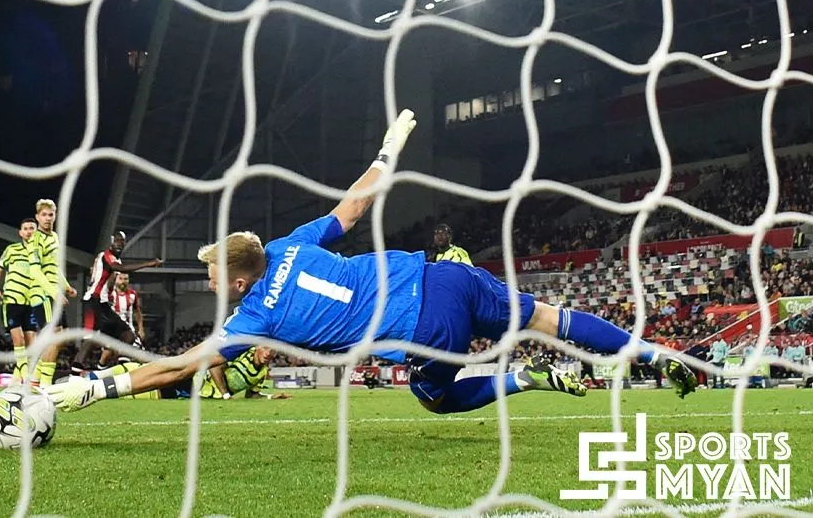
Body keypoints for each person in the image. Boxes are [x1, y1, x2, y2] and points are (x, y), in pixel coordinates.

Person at [48, 109, 697, 413]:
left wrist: (98, 388)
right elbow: (354, 207)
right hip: (443, 275)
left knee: (434, 398)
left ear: (241, 280)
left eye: (215, 273)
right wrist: (387, 151)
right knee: (549, 318)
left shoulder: (253, 319)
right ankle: (651, 353)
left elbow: (179, 367)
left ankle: (524, 381)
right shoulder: (290, 244)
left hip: (425, 327)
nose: (211, 280)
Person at [73, 231, 162, 369]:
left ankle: (117, 367)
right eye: (117, 240)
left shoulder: (114, 263)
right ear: (111, 241)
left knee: (128, 335)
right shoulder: (107, 256)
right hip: (94, 301)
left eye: (122, 241)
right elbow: (120, 268)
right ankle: (75, 372)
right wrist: (149, 263)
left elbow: (110, 278)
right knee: (91, 339)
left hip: (103, 304)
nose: (119, 244)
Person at [80, 346, 289, 400]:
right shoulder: (241, 353)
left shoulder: (261, 371)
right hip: (192, 377)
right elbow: (215, 364)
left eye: (272, 351)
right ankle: (89, 379)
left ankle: (92, 385)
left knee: (153, 391)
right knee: (142, 373)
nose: (269, 354)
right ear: (258, 347)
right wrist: (225, 393)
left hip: (197, 393)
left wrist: (270, 397)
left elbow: (252, 394)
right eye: (266, 349)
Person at [0, 218, 49, 381]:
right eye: (26, 228)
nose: (29, 231)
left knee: (32, 342)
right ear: (21, 232)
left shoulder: (41, 253)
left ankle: (17, 380)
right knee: (19, 340)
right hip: (12, 299)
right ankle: (26, 377)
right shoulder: (12, 250)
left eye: (32, 228)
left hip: (32, 301)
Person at [28, 198, 77, 388]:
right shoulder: (35, 240)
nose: (48, 218)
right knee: (55, 336)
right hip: (42, 294)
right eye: (44, 215)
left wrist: (66, 286)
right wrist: (54, 292)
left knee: (63, 337)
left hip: (54, 293)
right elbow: (35, 271)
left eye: (51, 214)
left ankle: (35, 378)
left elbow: (54, 267)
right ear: (37, 217)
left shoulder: (54, 237)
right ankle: (45, 385)